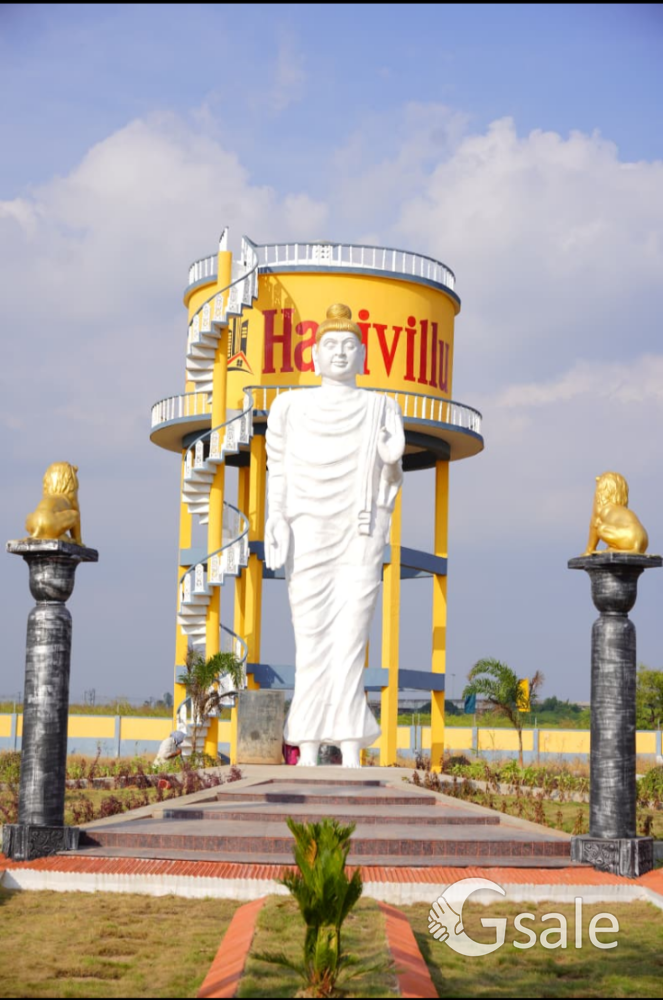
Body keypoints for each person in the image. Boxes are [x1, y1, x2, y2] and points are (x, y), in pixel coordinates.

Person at [265, 303, 405, 767]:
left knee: (350, 638)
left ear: (363, 355)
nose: (340, 353)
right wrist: (275, 519)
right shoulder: (289, 406)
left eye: (349, 345)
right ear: (314, 356)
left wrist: (392, 461)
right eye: (330, 345)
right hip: (307, 528)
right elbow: (278, 469)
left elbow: (390, 479)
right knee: (310, 639)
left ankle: (349, 744)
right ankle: (306, 743)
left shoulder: (381, 407)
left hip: (360, 530)